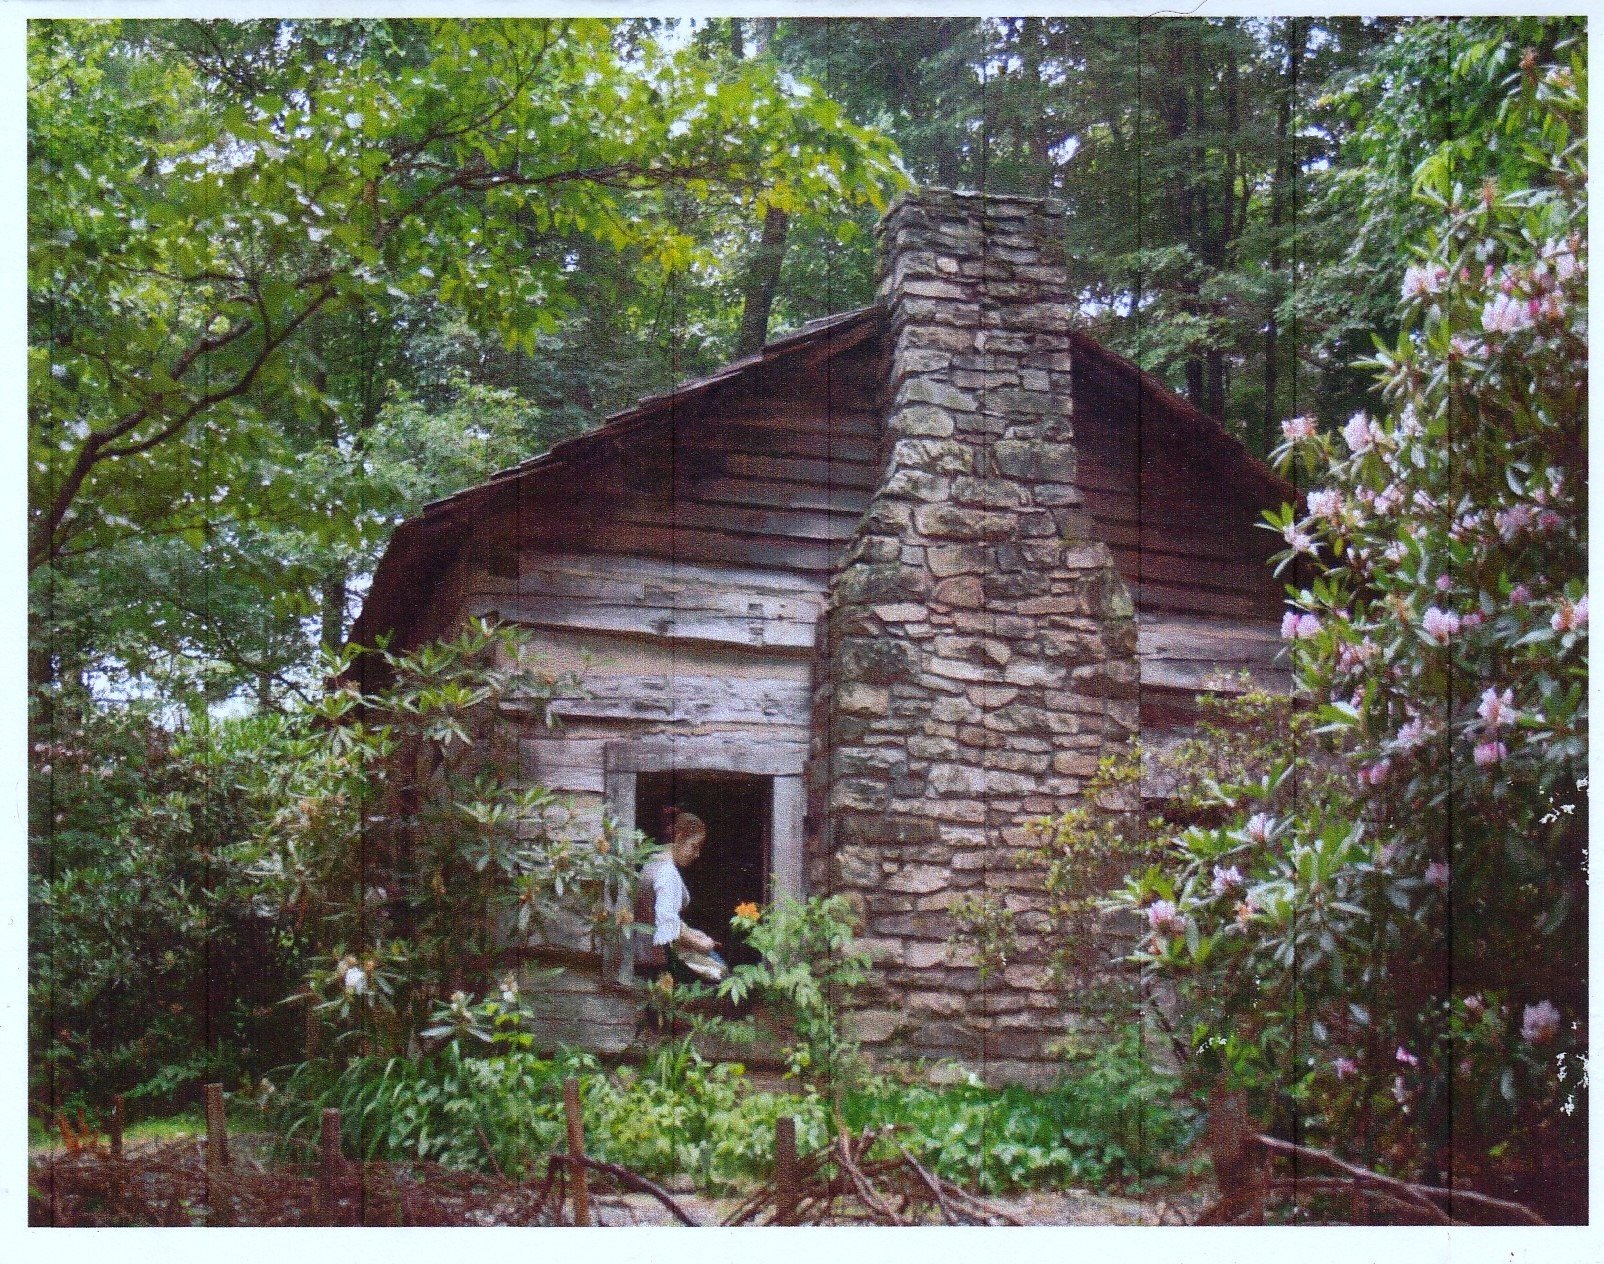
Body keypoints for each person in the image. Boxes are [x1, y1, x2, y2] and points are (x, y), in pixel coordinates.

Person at [636, 807, 725, 985]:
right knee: (720, 971)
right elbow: (668, 928)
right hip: (657, 961)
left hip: (644, 954)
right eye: (694, 846)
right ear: (678, 838)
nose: (697, 854)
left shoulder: (653, 861)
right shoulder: (667, 874)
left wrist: (691, 932)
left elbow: (658, 914)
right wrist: (701, 945)